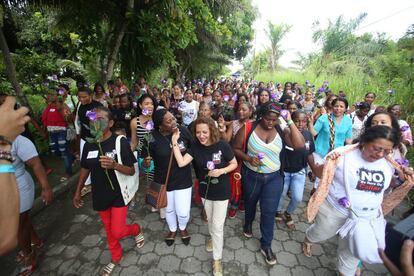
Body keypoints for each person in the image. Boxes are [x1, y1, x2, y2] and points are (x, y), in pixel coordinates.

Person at [303, 125, 414, 276]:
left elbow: (387, 185)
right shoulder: (341, 155)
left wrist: (403, 179)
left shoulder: (390, 163)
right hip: (335, 211)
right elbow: (319, 173)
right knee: (320, 233)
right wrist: (326, 162)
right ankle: (309, 239)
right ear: (364, 141)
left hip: (365, 220)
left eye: (387, 151)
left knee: (351, 255)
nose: (380, 154)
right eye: (376, 148)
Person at [73, 106, 144, 276]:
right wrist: (78, 191)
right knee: (108, 229)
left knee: (117, 231)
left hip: (119, 193)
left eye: (100, 119)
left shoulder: (120, 142)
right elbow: (84, 168)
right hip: (100, 195)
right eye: (92, 119)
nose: (95, 122)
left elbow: (131, 170)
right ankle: (116, 257)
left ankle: (136, 229)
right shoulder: (90, 145)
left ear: (110, 123)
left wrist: (114, 165)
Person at [232, 102, 305, 265]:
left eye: (274, 119)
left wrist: (290, 121)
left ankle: (266, 245)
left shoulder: (281, 129)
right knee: (250, 203)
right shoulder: (248, 128)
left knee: (268, 211)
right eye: (267, 119)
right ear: (260, 115)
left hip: (274, 178)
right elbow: (235, 148)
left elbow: (300, 145)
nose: (270, 123)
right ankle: (248, 223)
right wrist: (249, 158)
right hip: (251, 175)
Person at [171, 117, 237, 276]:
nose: (201, 135)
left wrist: (221, 171)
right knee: (209, 219)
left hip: (222, 190)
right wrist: (174, 141)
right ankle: (211, 238)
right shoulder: (194, 147)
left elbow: (233, 163)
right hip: (205, 190)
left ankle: (217, 260)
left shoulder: (222, 145)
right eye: (198, 132)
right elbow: (181, 162)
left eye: (205, 132)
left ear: (211, 131)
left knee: (218, 226)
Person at [141, 109, 193, 246]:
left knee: (183, 212)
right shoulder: (150, 137)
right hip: (163, 180)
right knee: (169, 209)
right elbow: (143, 159)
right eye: (169, 121)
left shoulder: (183, 131)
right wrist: (146, 162)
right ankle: (173, 229)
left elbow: (194, 148)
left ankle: (182, 227)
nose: (174, 122)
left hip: (183, 179)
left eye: (173, 119)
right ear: (160, 125)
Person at [0, 96, 30, 256]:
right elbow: (5, 239)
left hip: (19, 185)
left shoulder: (20, 141)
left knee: (23, 222)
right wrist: (3, 145)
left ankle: (32, 249)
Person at [276, 111, 315, 229]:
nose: (300, 124)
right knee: (281, 194)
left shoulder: (308, 135)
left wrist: (313, 169)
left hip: (299, 171)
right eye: (297, 121)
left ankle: (288, 213)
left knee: (298, 197)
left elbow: (310, 154)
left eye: (303, 121)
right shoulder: (285, 133)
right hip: (285, 171)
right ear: (291, 121)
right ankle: (277, 211)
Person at [308, 97, 353, 190]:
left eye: (341, 106)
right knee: (320, 177)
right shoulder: (324, 118)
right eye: (336, 106)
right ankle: (314, 195)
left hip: (336, 154)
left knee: (329, 177)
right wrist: (310, 123)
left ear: (345, 109)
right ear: (332, 106)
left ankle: (319, 195)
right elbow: (314, 133)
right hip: (320, 152)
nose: (338, 109)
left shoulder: (348, 121)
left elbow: (348, 140)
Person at [222, 102, 253, 218]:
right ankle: (234, 205)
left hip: (250, 158)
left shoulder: (254, 124)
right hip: (236, 156)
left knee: (247, 182)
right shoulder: (234, 123)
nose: (241, 112)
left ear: (250, 111)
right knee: (236, 182)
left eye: (244, 110)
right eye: (239, 109)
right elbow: (227, 139)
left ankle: (243, 202)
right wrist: (221, 130)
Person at [74, 86, 103, 196]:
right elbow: (77, 121)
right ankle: (87, 185)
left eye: (84, 97)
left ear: (91, 96)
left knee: (97, 160)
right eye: (79, 97)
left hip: (96, 139)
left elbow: (103, 123)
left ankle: (98, 182)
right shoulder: (80, 105)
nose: (81, 99)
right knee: (84, 161)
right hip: (84, 138)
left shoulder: (98, 106)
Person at [41, 91, 74, 181]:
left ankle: (68, 172)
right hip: (52, 132)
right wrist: (45, 132)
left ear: (56, 95)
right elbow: (45, 120)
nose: (49, 96)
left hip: (62, 131)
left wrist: (60, 109)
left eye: (51, 94)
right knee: (55, 151)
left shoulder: (63, 105)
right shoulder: (48, 107)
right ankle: (72, 157)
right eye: (48, 94)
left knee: (64, 152)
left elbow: (70, 119)